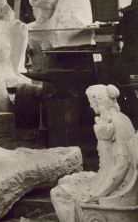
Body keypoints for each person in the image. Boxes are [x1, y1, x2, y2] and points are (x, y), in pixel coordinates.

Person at [51, 84, 138, 221]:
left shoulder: (118, 123)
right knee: (66, 180)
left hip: (115, 186)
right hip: (105, 176)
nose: (91, 106)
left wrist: (97, 193)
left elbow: (122, 166)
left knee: (58, 194)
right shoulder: (113, 119)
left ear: (99, 101)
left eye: (91, 102)